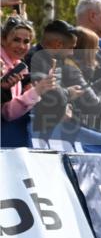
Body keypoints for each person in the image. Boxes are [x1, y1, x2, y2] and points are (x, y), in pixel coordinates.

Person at [2, 16, 57, 146]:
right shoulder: (2, 65)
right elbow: (7, 113)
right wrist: (36, 91)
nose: (21, 46)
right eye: (16, 40)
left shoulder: (19, 66)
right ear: (3, 40)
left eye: (26, 41)